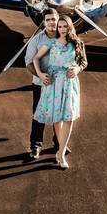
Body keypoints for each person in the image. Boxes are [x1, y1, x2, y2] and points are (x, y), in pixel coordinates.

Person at [31, 14, 87, 169]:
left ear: (70, 27)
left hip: (69, 83)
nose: (62, 29)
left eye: (65, 26)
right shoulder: (51, 43)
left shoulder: (77, 43)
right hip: (54, 83)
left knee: (69, 118)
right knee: (57, 118)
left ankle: (60, 153)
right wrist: (41, 74)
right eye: (60, 26)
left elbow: (84, 62)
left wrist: (77, 69)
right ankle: (60, 152)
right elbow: (35, 58)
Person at [25, 9, 69, 161]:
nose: (51, 22)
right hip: (40, 84)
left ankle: (59, 144)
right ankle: (36, 146)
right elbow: (29, 62)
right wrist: (41, 75)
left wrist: (75, 68)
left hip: (61, 84)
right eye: (48, 19)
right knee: (38, 115)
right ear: (43, 22)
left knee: (61, 114)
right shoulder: (37, 40)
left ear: (58, 20)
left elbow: (76, 57)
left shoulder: (65, 38)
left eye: (54, 19)